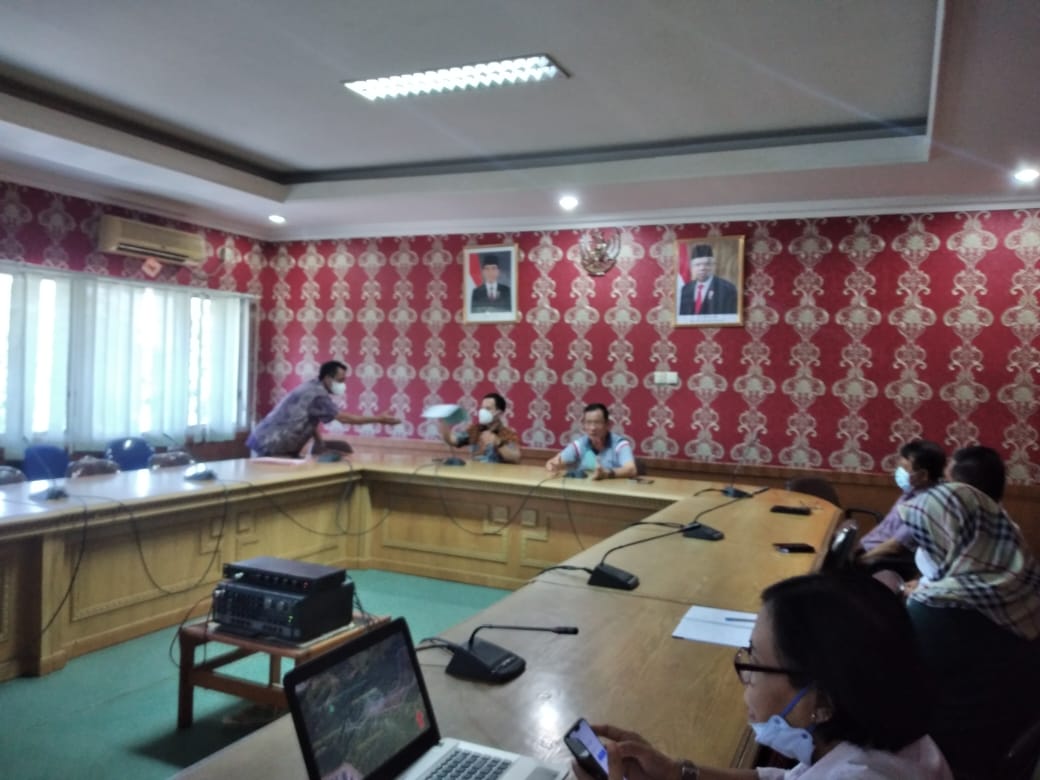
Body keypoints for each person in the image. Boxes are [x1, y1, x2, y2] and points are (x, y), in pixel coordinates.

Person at [575, 572, 951, 780]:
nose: (745, 679)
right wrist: (677, 773)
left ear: (821, 702)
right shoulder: (875, 737)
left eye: (754, 661)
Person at [899, 467, 1040, 779]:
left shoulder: (939, 609)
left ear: (951, 538)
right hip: (1012, 737)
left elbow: (893, 689)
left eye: (928, 539)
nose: (923, 550)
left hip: (953, 753)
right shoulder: (1025, 583)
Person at [246, 360, 400, 457]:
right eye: (340, 380)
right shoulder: (317, 394)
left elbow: (308, 418)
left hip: (268, 442)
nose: (343, 385)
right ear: (327, 378)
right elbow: (343, 418)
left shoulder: (313, 386)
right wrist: (379, 419)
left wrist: (319, 442)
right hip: (271, 445)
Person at [855, 439, 945, 577]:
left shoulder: (924, 506)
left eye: (905, 469)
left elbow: (895, 546)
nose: (899, 472)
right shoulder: (911, 492)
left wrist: (859, 560)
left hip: (878, 561)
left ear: (923, 475)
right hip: (867, 549)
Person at [546, 403, 637, 480]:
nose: (592, 428)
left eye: (597, 423)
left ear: (607, 424)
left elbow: (631, 470)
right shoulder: (580, 444)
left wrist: (606, 473)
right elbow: (552, 463)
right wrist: (554, 465)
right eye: (588, 423)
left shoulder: (619, 444)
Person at [438, 392, 521, 464]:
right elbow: (452, 440)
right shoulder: (475, 430)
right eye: (482, 408)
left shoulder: (508, 434)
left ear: (499, 413)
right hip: (475, 474)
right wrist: (444, 423)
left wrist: (498, 442)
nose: (482, 411)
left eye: (488, 409)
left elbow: (515, 457)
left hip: (497, 475)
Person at [678, 244, 738, 316]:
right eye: (697, 265)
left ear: (713, 266)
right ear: (692, 267)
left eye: (706, 264)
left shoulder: (727, 289)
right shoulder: (685, 289)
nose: (702, 268)